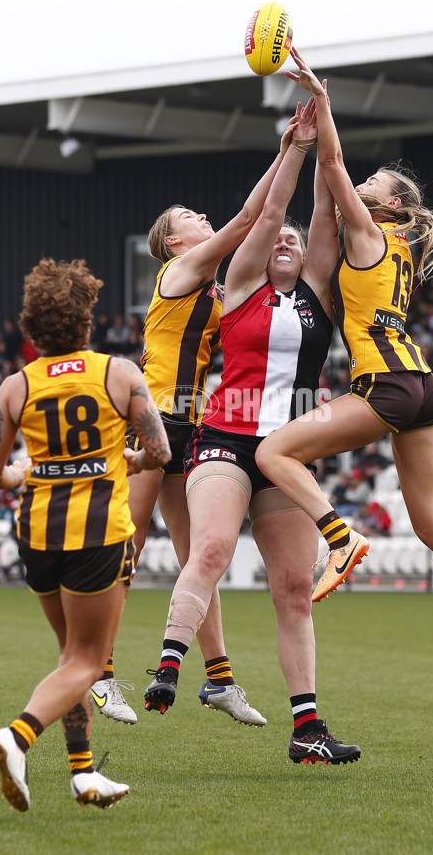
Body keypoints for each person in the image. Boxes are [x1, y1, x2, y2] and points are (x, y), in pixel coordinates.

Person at [256, 49, 433, 694]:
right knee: (430, 520)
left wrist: (321, 101)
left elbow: (332, 167)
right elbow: (331, 181)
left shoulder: (372, 233)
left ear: (393, 203)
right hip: (423, 387)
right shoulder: (388, 243)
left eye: (377, 183)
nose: (366, 185)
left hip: (389, 384)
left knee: (273, 453)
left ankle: (340, 536)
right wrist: (317, 124)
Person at [143, 95, 364, 767]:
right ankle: (171, 666)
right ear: (264, 254)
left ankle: (307, 730)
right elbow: (265, 213)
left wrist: (323, 123)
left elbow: (324, 211)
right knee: (209, 549)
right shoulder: (238, 284)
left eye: (297, 238)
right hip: (227, 439)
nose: (289, 238)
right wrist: (292, 146)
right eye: (280, 239)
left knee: (295, 589)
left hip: (288, 452)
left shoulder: (319, 292)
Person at [96, 115, 311, 728]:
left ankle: (219, 681)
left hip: (192, 422)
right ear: (171, 242)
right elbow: (250, 220)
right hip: (152, 416)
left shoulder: (214, 290)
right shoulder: (179, 273)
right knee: (129, 549)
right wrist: (287, 151)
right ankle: (100, 672)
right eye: (188, 213)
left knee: (200, 556)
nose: (200, 215)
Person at [0, 258, 171, 812]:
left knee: (70, 656)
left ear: (31, 325)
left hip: (36, 531)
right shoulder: (120, 374)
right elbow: (158, 453)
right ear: (86, 319)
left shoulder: (17, 386)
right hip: (97, 535)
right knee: (87, 662)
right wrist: (124, 462)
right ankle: (17, 738)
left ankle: (84, 775)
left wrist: (26, 472)